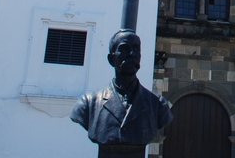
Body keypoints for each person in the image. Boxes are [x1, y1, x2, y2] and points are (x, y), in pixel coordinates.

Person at [71, 29, 173, 157]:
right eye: (124, 49)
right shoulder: (88, 103)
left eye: (136, 49)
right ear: (111, 59)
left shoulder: (158, 104)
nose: (132, 54)